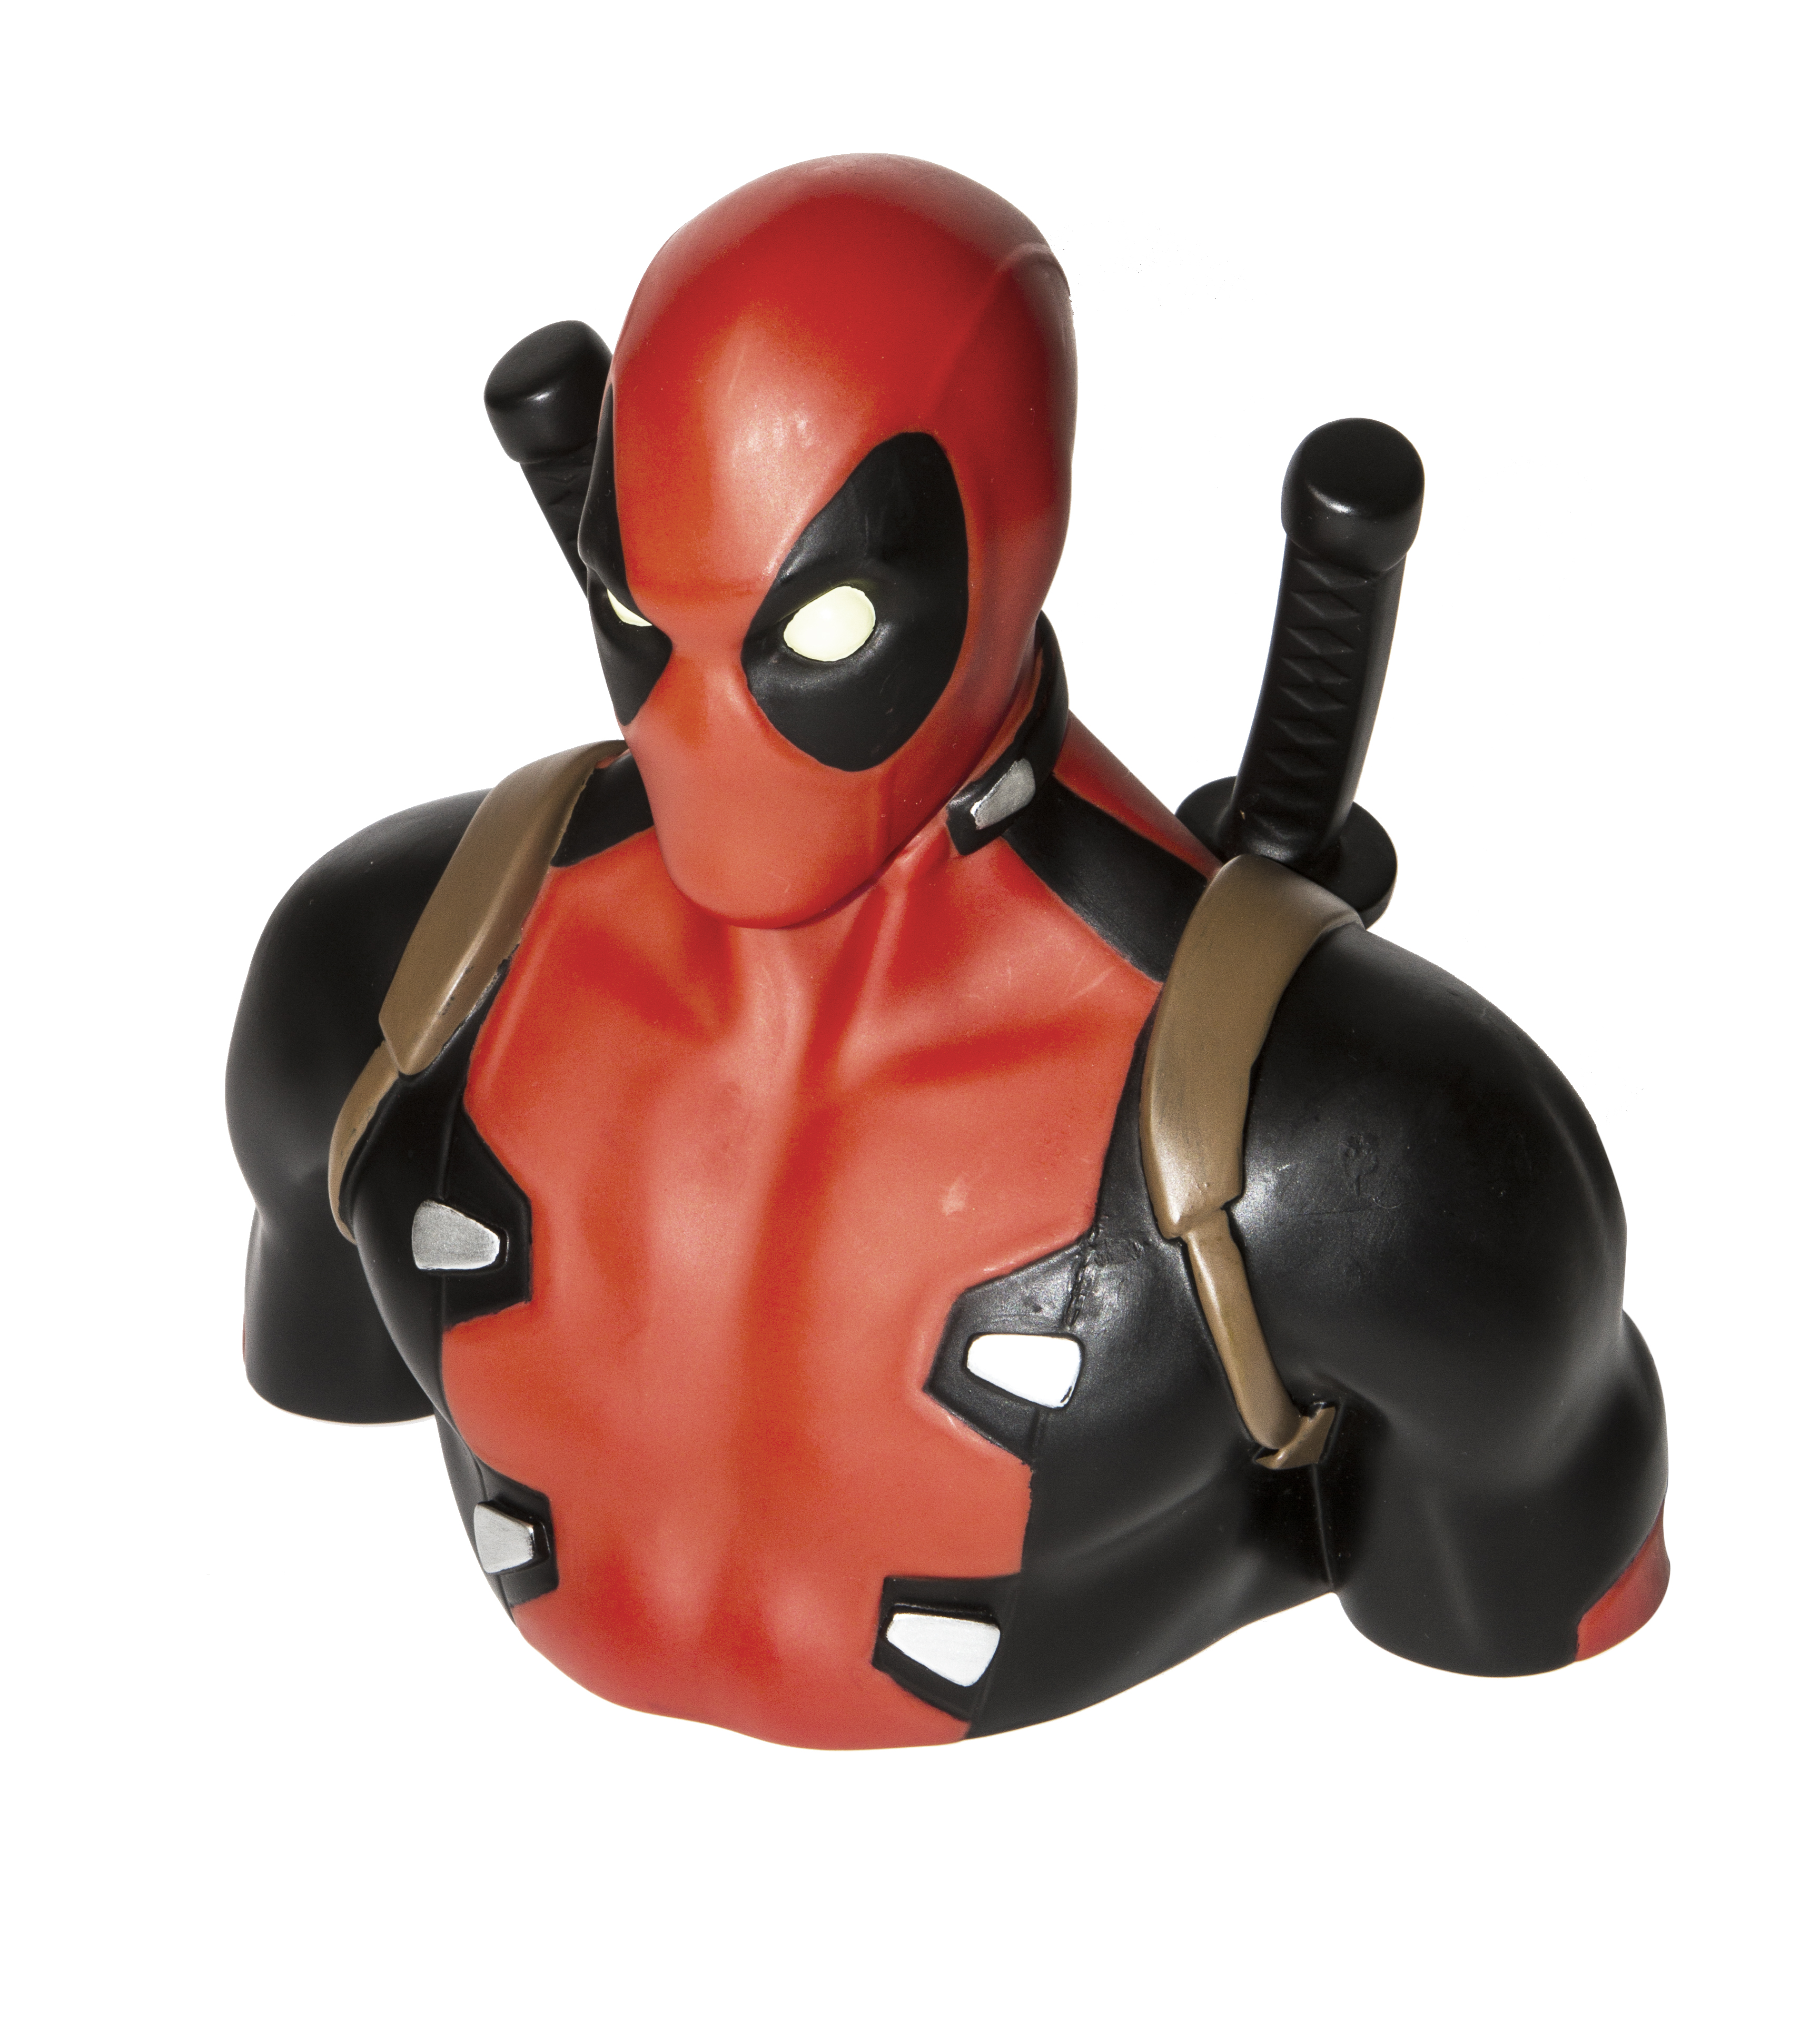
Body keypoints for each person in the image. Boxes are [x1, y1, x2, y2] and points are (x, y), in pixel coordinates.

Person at [227, 155, 1666, 1750]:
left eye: (817, 631)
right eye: (641, 612)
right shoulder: (383, 981)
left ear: (1013, 546)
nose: (698, 741)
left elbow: (1525, 1676)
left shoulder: (1357, 1154)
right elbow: (308, 1464)